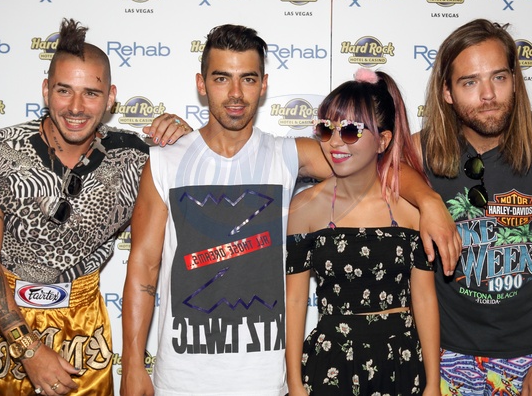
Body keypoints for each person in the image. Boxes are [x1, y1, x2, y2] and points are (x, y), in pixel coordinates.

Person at [120, 24, 459, 396]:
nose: (235, 93)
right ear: (201, 84)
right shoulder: (167, 160)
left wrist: (429, 200)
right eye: (221, 78)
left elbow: (374, 164)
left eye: (248, 79)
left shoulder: (287, 154)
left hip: (264, 382)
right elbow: (143, 266)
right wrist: (133, 363)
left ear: (263, 85)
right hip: (181, 379)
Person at [0, 18, 188, 396]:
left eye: (91, 93)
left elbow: (209, 184)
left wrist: (187, 142)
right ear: (46, 91)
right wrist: (28, 348)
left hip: (81, 328)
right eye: (64, 91)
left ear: (110, 97)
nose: (76, 107)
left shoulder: (137, 159)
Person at [416, 19, 532, 396]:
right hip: (443, 357)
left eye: (499, 77)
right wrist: (427, 198)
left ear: (515, 81)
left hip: (528, 359)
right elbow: (363, 164)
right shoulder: (421, 154)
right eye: (470, 82)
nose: (488, 94)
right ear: (447, 92)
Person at [285, 68, 440, 395]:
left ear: (383, 140)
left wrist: (432, 383)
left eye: (351, 130)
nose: (335, 142)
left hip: (400, 363)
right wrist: (295, 383)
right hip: (331, 364)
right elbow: (295, 300)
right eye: (326, 129)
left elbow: (425, 297)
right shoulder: (304, 208)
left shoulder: (410, 209)